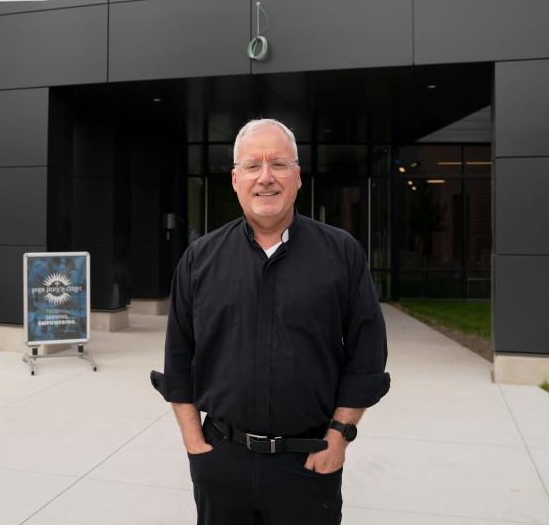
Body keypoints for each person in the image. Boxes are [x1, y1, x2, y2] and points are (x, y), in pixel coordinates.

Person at [150, 118, 391, 525]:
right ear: (234, 179)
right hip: (221, 462)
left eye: (278, 164)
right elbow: (178, 360)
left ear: (298, 176)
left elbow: (367, 358)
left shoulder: (342, 254)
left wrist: (339, 438)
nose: (266, 178)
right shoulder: (199, 259)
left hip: (310, 463)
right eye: (252, 166)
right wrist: (196, 446)